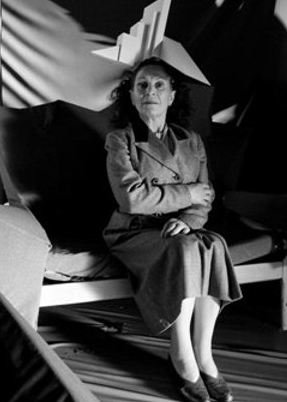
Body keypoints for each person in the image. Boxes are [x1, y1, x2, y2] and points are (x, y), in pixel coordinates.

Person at [102, 57, 241, 402]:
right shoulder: (121, 140)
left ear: (172, 95)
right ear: (132, 97)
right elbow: (132, 199)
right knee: (185, 248)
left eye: (159, 85)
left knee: (211, 243)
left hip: (180, 228)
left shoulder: (192, 141)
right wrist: (187, 193)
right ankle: (180, 355)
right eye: (142, 86)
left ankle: (203, 353)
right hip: (134, 232)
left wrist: (190, 219)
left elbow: (204, 197)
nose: (150, 91)